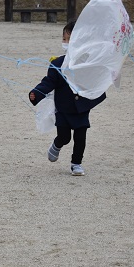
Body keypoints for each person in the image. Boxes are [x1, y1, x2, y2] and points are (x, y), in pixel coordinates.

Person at [29, 20, 105, 176]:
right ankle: (56, 145)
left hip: (81, 107)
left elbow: (98, 76)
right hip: (63, 108)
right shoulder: (58, 63)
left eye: (69, 39)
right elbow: (49, 82)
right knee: (64, 137)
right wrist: (36, 93)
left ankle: (76, 163)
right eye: (64, 39)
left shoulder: (88, 63)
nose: (65, 42)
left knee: (80, 137)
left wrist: (110, 75)